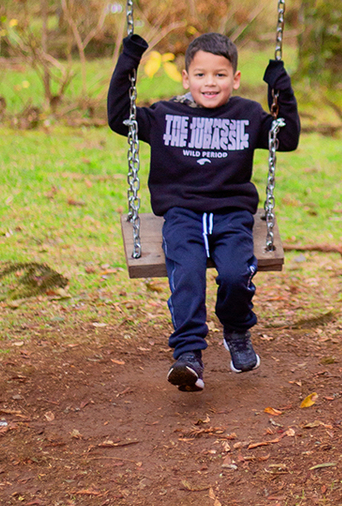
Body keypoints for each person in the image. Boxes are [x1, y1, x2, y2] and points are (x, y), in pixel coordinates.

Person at [108, 32, 299, 392]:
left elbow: (286, 138)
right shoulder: (164, 115)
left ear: (235, 79)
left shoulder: (247, 115)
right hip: (182, 215)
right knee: (188, 274)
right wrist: (128, 62)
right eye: (200, 74)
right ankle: (188, 355)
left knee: (235, 274)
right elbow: (120, 119)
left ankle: (236, 329)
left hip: (232, 215)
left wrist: (281, 89)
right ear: (186, 78)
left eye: (220, 75)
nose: (210, 83)